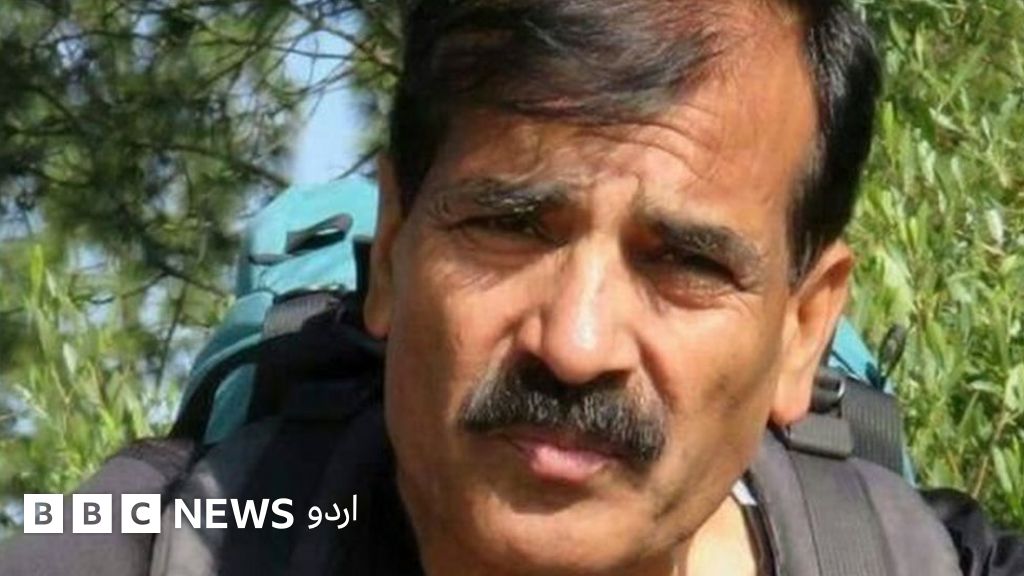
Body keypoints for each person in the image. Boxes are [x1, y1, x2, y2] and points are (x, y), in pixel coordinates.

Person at [2, 1, 1022, 575]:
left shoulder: (923, 561)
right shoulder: (149, 543)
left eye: (684, 262)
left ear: (803, 328)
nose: (574, 344)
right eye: (507, 226)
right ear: (392, 251)